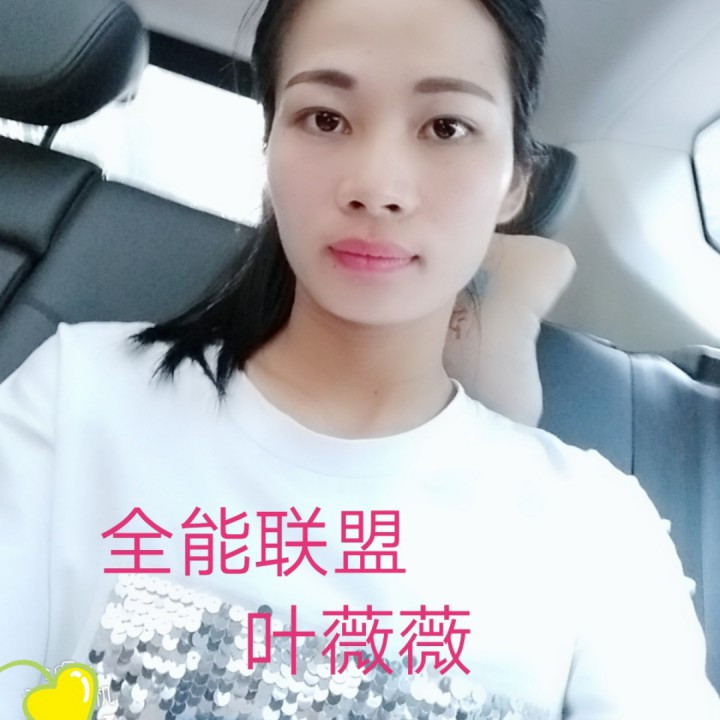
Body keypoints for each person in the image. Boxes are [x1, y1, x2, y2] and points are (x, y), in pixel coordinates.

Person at [0, 0, 718, 717]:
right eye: (325, 119)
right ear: (269, 145)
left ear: (514, 183)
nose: (376, 188)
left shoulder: (597, 530)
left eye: (446, 127)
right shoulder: (75, 398)